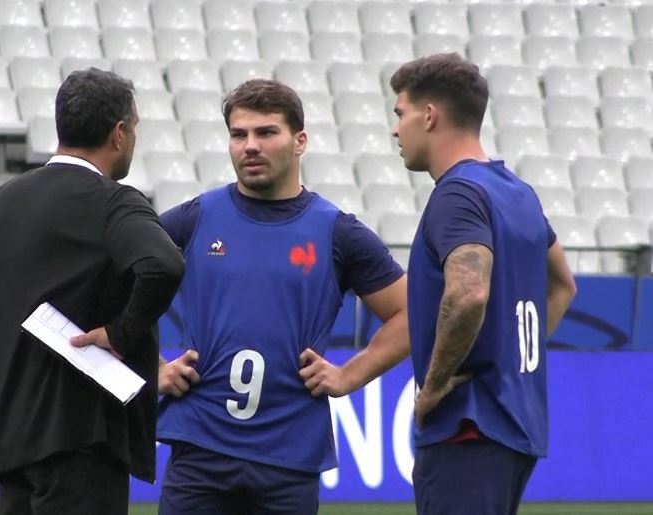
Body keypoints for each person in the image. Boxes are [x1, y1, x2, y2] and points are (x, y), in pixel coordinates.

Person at [0, 68, 185, 515]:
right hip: (82, 437)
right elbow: (165, 264)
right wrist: (121, 333)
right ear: (119, 134)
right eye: (134, 127)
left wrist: (3, 337)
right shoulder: (113, 201)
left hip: (11, 437)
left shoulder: (4, 200)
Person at [155, 79, 410, 514]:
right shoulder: (195, 217)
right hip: (199, 449)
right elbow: (112, 286)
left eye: (266, 132)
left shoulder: (338, 231)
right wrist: (150, 367)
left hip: (288, 456)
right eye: (239, 134)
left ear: (299, 141)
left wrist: (349, 376)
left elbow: (412, 313)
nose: (250, 145)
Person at [388, 53, 578, 515]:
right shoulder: (517, 192)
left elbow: (468, 291)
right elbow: (563, 286)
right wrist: (511, 362)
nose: (395, 129)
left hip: (468, 424)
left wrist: (432, 387)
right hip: (515, 425)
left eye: (400, 114)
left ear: (429, 115)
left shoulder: (457, 193)